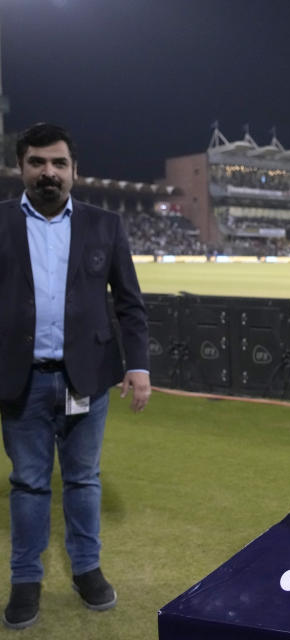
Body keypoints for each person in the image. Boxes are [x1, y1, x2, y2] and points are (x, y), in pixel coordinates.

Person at [0, 123, 151, 629]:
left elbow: (130, 304)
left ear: (74, 171)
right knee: (28, 483)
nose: (49, 172)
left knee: (84, 479)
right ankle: (26, 580)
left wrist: (138, 366)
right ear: (21, 167)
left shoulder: (105, 224)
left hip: (86, 379)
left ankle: (87, 570)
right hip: (21, 382)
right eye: (38, 162)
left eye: (58, 163)